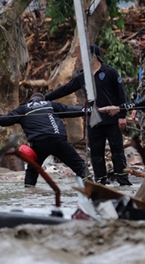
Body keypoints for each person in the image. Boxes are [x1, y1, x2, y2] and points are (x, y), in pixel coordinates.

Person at [45, 44, 130, 185]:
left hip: (112, 120)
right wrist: (45, 98)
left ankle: (122, 180)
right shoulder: (83, 76)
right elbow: (66, 89)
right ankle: (101, 181)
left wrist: (122, 115)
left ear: (94, 57)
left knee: (117, 151)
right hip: (94, 120)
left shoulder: (110, 72)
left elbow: (121, 95)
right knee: (96, 153)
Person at [0, 93, 89, 186]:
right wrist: (88, 110)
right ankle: (90, 187)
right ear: (42, 100)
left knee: (32, 171)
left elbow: (5, 120)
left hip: (38, 144)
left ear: (30, 101)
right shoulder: (50, 104)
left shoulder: (23, 109)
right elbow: (70, 110)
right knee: (80, 167)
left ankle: (29, 192)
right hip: (57, 140)